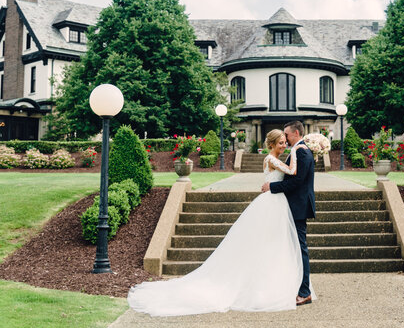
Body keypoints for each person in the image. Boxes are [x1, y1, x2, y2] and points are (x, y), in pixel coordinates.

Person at [127, 129, 312, 317]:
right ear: (272, 144)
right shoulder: (273, 159)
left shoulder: (278, 157)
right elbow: (292, 171)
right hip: (273, 204)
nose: (284, 145)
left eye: (285, 141)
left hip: (278, 203)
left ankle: (276, 284)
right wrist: (297, 151)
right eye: (280, 142)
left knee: (275, 246)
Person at [261, 120, 316, 306]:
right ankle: (291, 287)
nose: (285, 139)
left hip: (298, 206)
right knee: (293, 248)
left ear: (295, 133)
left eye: (287, 135)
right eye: (282, 138)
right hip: (293, 205)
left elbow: (296, 181)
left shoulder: (300, 151)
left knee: (300, 249)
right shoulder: (300, 151)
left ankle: (304, 291)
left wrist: (271, 186)